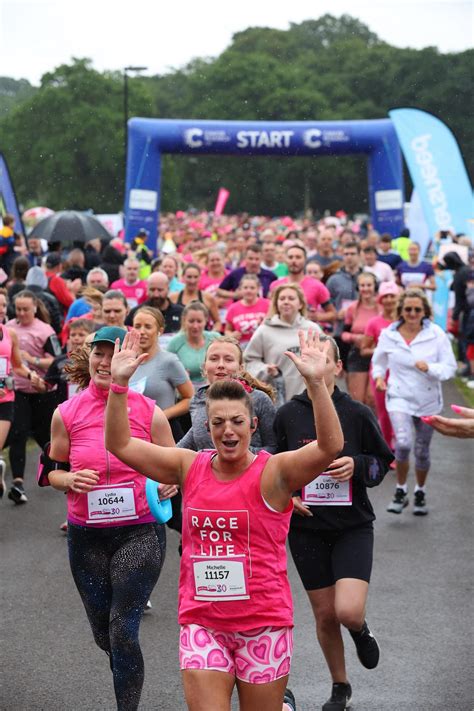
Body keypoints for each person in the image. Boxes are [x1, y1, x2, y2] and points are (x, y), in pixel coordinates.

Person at [105, 328, 343, 711]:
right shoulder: (189, 466)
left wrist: (315, 383)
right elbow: (120, 444)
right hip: (203, 622)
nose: (227, 431)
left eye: (236, 422)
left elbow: (330, 446)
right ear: (207, 427)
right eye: (218, 423)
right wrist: (119, 386)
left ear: (253, 425)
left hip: (263, 623)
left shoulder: (275, 473)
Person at [47, 326, 177, 711]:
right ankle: (126, 667)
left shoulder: (148, 411)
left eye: (114, 354)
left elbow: (175, 465)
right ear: (89, 359)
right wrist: (68, 478)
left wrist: (170, 484)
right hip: (86, 536)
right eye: (99, 354)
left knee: (123, 628)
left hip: (139, 530)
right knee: (105, 633)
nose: (106, 362)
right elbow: (52, 470)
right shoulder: (66, 412)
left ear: (131, 361)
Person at [274, 335, 393, 711]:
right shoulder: (287, 414)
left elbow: (381, 462)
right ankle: (340, 686)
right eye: (307, 356)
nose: (314, 363)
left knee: (347, 611)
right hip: (307, 529)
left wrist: (356, 464)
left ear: (337, 367)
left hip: (352, 526)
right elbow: (272, 468)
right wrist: (288, 496)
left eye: (321, 357)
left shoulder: (356, 413)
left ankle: (360, 629)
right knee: (325, 614)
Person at [372, 288, 457, 515]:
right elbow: (378, 361)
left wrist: (430, 367)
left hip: (428, 400)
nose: (412, 313)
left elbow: (450, 368)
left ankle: (420, 491)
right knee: (402, 443)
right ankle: (400, 490)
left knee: (421, 450)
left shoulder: (436, 335)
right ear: (400, 311)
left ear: (425, 312)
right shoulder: (389, 335)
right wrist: (379, 377)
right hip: (399, 396)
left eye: (417, 309)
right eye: (407, 309)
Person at [6, 289, 61, 503]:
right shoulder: (9, 328)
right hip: (18, 390)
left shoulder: (45, 330)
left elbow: (57, 360)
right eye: (18, 309)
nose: (21, 313)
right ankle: (18, 484)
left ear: (35, 308)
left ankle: (59, 470)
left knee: (45, 437)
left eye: (25, 309)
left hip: (43, 392)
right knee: (18, 433)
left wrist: (34, 360)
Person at [177, 335, 277, 454]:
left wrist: (233, 453)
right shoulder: (198, 399)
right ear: (204, 367)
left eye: (228, 360)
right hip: (209, 471)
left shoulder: (259, 399)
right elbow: (190, 441)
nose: (221, 365)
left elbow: (274, 448)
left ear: (240, 368)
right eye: (214, 359)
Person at [245, 284, 320, 404]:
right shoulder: (264, 330)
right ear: (276, 304)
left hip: (309, 397)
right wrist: (264, 369)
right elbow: (248, 361)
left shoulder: (312, 329)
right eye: (282, 299)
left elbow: (326, 360)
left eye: (291, 298)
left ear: (300, 304)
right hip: (277, 398)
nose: (286, 302)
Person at [0, 289, 42, 498]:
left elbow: (16, 365)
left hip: (5, 397)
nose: (0, 310)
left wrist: (30, 374)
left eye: (2, 305)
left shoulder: (10, 333)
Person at [130, 306, 194, 441]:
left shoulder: (169, 361)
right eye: (137, 326)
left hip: (163, 433)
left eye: (148, 327)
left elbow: (190, 398)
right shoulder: (127, 361)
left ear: (160, 331)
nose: (142, 332)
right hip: (134, 433)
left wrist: (163, 415)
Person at [360, 281, 401, 449]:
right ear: (380, 300)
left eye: (392, 296)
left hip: (401, 372)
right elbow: (364, 350)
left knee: (399, 412)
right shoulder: (374, 323)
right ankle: (386, 449)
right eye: (386, 296)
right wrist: (383, 350)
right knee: (383, 413)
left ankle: (399, 446)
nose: (389, 300)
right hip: (380, 372)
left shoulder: (404, 322)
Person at [271, 245, 336, 326]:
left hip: (305, 333)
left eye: (298, 257)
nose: (294, 261)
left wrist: (317, 316)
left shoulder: (317, 286)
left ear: (305, 260)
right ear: (285, 260)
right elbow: (270, 312)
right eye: (290, 257)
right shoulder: (275, 285)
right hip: (280, 332)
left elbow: (332, 314)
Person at [341, 272, 380, 405]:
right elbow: (343, 334)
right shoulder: (352, 308)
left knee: (373, 398)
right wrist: (356, 337)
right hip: (357, 354)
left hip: (378, 355)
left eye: (369, 285)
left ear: (375, 287)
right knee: (357, 400)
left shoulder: (382, 307)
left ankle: (374, 425)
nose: (365, 288)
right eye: (362, 285)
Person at [167, 303, 221, 388]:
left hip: (214, 389)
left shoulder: (215, 338)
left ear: (206, 320)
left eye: (199, 321)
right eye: (191, 321)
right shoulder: (175, 343)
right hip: (186, 392)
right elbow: (167, 370)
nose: (195, 326)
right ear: (184, 320)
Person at [126, 272, 184, 338]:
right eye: (152, 290)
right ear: (147, 289)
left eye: (160, 290)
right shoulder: (136, 313)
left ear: (168, 289)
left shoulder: (181, 312)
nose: (156, 294)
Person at [170, 263, 222, 331]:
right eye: (189, 277)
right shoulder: (173, 297)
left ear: (200, 277)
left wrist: (212, 335)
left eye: (195, 277)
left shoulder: (208, 298)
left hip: (202, 339)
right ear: (183, 277)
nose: (192, 281)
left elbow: (217, 322)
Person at [224, 274, 270, 346]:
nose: (248, 291)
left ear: (258, 289)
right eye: (245, 288)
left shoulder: (268, 304)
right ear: (240, 289)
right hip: (242, 347)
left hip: (264, 345)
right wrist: (231, 335)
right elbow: (227, 330)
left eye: (252, 288)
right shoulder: (233, 308)